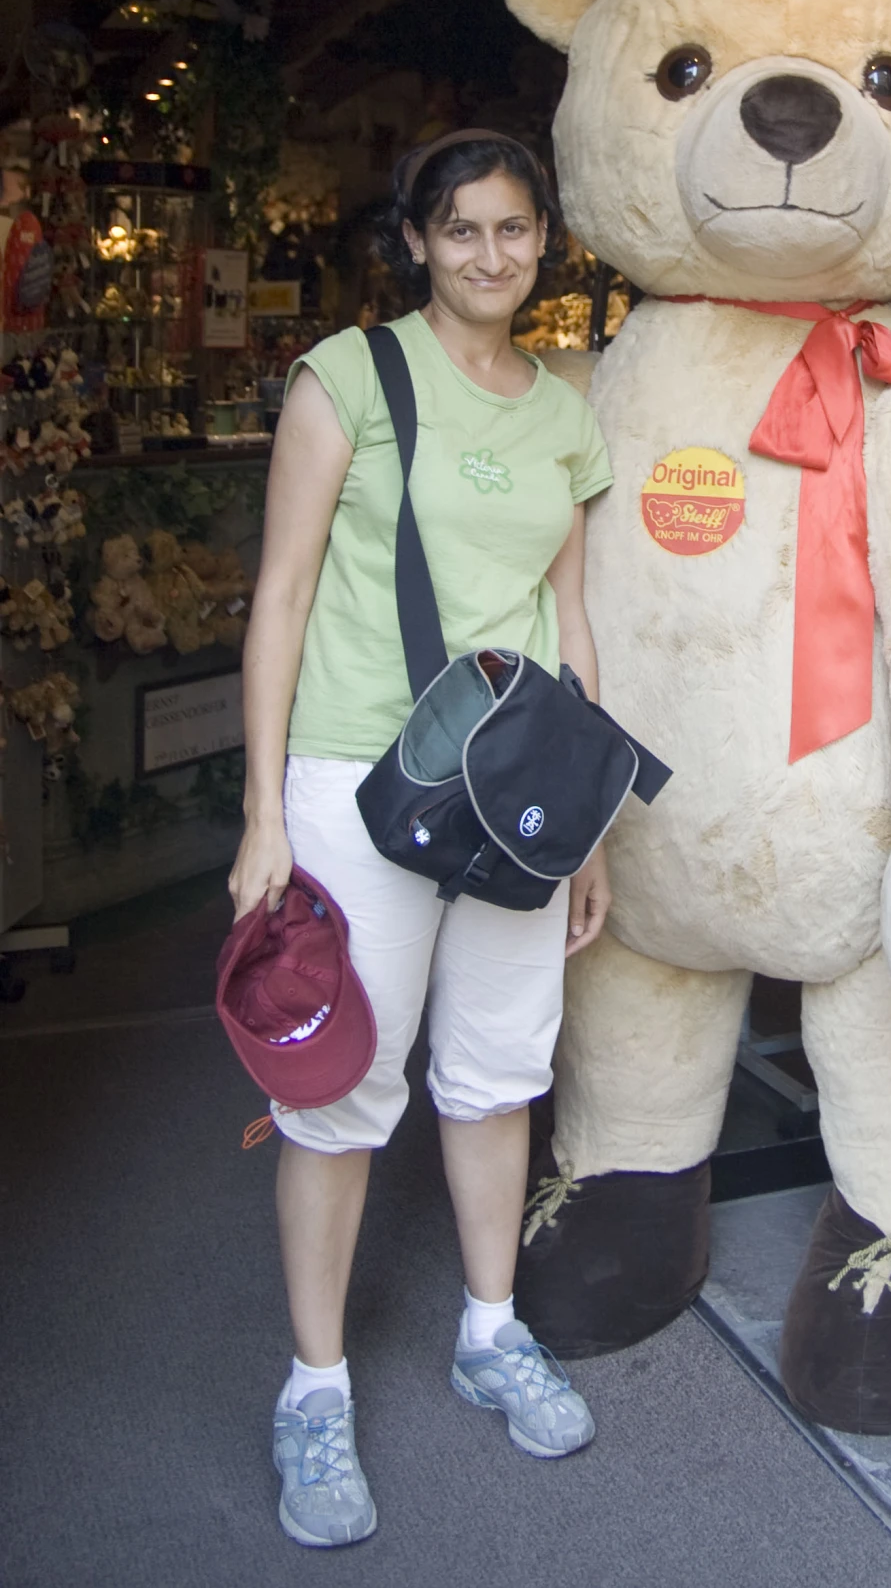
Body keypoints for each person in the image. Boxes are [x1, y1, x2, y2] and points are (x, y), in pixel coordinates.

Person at [228, 130, 614, 1549]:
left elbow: (569, 626)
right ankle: (314, 1385)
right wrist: (266, 809)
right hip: (356, 772)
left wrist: (589, 824)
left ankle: (490, 1326)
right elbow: (278, 596)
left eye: (513, 230)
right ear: (414, 240)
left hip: (513, 790)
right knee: (339, 1083)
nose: (490, 255)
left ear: (542, 240)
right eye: (461, 231)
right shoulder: (348, 377)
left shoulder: (567, 412)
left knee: (500, 1069)